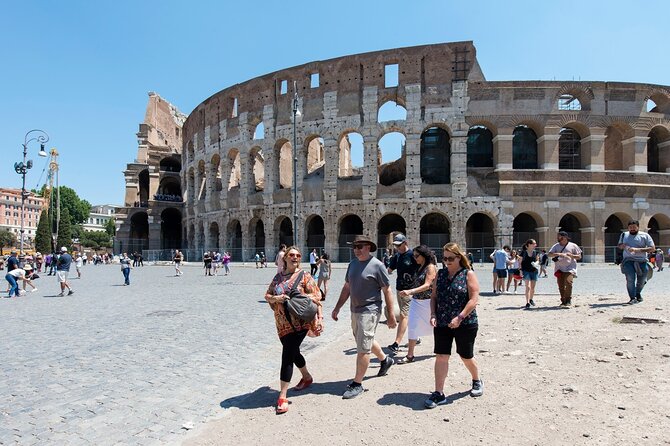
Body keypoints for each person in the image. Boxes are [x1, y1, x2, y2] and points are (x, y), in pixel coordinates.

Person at [332, 235, 397, 399]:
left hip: (370, 310)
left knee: (363, 347)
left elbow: (387, 290)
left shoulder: (378, 266)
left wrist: (390, 315)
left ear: (368, 247)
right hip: (355, 309)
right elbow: (347, 287)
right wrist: (337, 308)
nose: (356, 250)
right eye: (355, 247)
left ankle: (357, 384)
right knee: (363, 340)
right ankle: (385, 360)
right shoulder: (352, 264)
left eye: (360, 247)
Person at [264, 246, 323, 414]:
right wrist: (277, 298)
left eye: (298, 255)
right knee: (294, 352)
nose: (295, 257)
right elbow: (267, 296)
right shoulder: (278, 277)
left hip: (300, 322)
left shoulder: (305, 276)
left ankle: (282, 396)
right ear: (285, 258)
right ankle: (307, 377)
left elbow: (317, 297)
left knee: (287, 354)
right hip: (282, 323)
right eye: (292, 255)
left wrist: (320, 318)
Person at [424, 242, 483, 409]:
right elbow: (434, 296)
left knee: (466, 356)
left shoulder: (467, 274)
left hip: (465, 322)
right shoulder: (440, 274)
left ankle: (476, 380)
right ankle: (439, 393)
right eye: (444, 258)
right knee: (441, 356)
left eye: (450, 258)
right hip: (442, 321)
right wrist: (433, 314)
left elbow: (473, 299)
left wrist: (460, 317)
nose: (447, 261)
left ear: (459, 258)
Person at [397, 245, 437, 364]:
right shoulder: (420, 267)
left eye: (416, 256)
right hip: (416, 301)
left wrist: (410, 291)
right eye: (413, 256)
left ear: (424, 255)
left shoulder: (430, 267)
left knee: (435, 326)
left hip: (428, 302)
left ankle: (440, 349)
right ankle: (410, 355)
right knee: (412, 326)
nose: (414, 258)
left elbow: (428, 285)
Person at [386, 233, 418, 355]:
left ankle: (396, 343)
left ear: (405, 243)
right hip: (399, 290)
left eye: (399, 245)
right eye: (396, 246)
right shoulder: (397, 257)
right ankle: (416, 336)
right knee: (408, 315)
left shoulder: (412, 255)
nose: (397, 248)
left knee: (404, 316)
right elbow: (389, 270)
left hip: (410, 290)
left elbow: (422, 268)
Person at [617, 220, 655, 304]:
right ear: (628, 228)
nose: (632, 229)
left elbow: (652, 248)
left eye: (634, 227)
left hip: (641, 261)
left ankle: (637, 293)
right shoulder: (624, 235)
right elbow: (619, 245)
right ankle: (632, 298)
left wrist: (638, 250)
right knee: (630, 279)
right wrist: (621, 246)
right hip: (628, 260)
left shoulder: (645, 235)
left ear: (638, 227)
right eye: (630, 227)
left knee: (641, 281)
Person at [549, 231, 582, 307]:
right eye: (558, 236)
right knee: (560, 285)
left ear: (565, 237)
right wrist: (558, 254)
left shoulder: (573, 246)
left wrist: (572, 256)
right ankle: (563, 301)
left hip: (570, 268)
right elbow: (549, 254)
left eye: (560, 236)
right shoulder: (556, 246)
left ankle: (568, 299)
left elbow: (579, 256)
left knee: (568, 282)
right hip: (559, 269)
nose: (558, 238)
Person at [520, 239, 540, 309]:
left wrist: (536, 263)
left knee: (532, 287)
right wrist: (520, 270)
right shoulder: (523, 252)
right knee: (527, 287)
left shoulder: (536, 252)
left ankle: (531, 299)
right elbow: (520, 262)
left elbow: (538, 260)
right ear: (529, 244)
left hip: (534, 271)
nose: (535, 245)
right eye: (534, 244)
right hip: (526, 271)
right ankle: (527, 302)